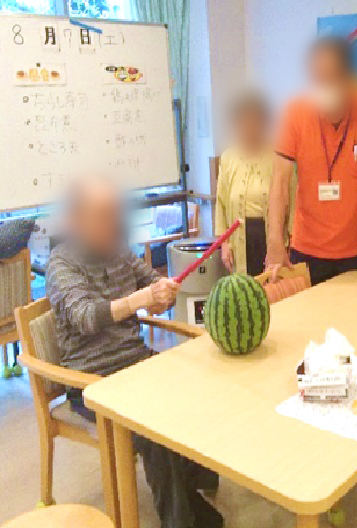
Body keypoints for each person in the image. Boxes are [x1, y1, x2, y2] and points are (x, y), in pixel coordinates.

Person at [46, 178, 222, 528]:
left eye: (114, 213)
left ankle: (192, 481)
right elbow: (86, 317)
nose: (113, 222)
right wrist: (140, 300)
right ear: (79, 220)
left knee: (198, 386)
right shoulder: (60, 264)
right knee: (151, 422)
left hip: (135, 363)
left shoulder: (118, 250)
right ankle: (180, 518)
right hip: (93, 380)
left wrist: (163, 293)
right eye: (103, 215)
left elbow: (150, 283)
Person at [266, 36, 357, 285]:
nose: (324, 86)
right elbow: (279, 182)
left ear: (348, 77)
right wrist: (274, 241)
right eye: (318, 79)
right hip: (306, 249)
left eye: (331, 77)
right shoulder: (295, 112)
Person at [216, 91, 293, 275]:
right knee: (244, 288)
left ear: (264, 122)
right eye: (244, 120)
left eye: (255, 120)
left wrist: (291, 242)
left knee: (273, 285)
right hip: (240, 240)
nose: (249, 126)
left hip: (270, 238)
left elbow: (292, 200)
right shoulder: (228, 158)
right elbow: (221, 203)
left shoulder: (279, 155)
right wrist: (223, 243)